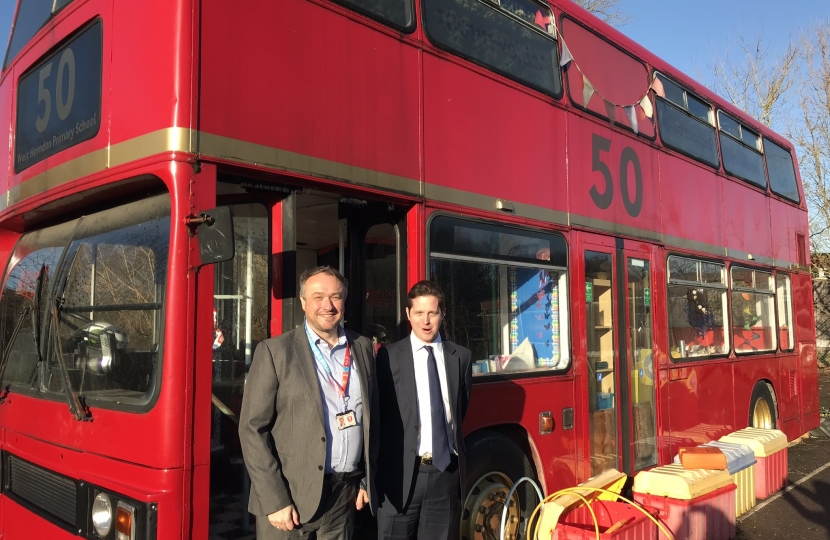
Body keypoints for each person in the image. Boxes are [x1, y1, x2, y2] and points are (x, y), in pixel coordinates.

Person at [239, 266, 378, 539]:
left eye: (336, 297)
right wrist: (274, 499)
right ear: (303, 302)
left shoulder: (362, 347)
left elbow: (373, 419)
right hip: (289, 500)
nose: (327, 305)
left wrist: (365, 480)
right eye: (318, 297)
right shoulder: (274, 351)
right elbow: (252, 429)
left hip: (342, 498)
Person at [376, 280, 473, 540]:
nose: (426, 320)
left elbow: (459, 411)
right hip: (400, 477)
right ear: (408, 314)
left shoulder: (461, 357)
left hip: (445, 476)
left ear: (442, 313)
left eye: (432, 312)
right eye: (419, 313)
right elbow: (379, 417)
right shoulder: (387, 357)